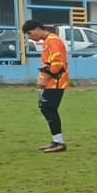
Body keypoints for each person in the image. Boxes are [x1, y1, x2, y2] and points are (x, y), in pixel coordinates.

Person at [24, 20, 69, 152]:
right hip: (52, 81)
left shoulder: (52, 40)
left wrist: (45, 79)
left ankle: (59, 142)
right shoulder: (48, 41)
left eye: (30, 33)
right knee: (47, 108)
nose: (30, 36)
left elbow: (57, 63)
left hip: (56, 81)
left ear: (38, 29)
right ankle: (57, 141)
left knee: (48, 108)